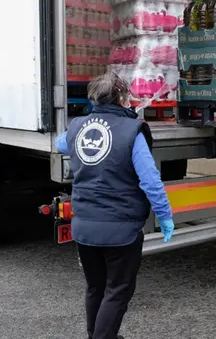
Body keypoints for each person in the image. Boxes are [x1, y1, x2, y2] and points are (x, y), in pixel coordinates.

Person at [54, 71, 175, 339]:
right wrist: (165, 216)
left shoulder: (77, 127)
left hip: (83, 227)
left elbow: (59, 143)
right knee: (118, 290)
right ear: (122, 99)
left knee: (95, 287)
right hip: (121, 231)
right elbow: (151, 182)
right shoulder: (131, 131)